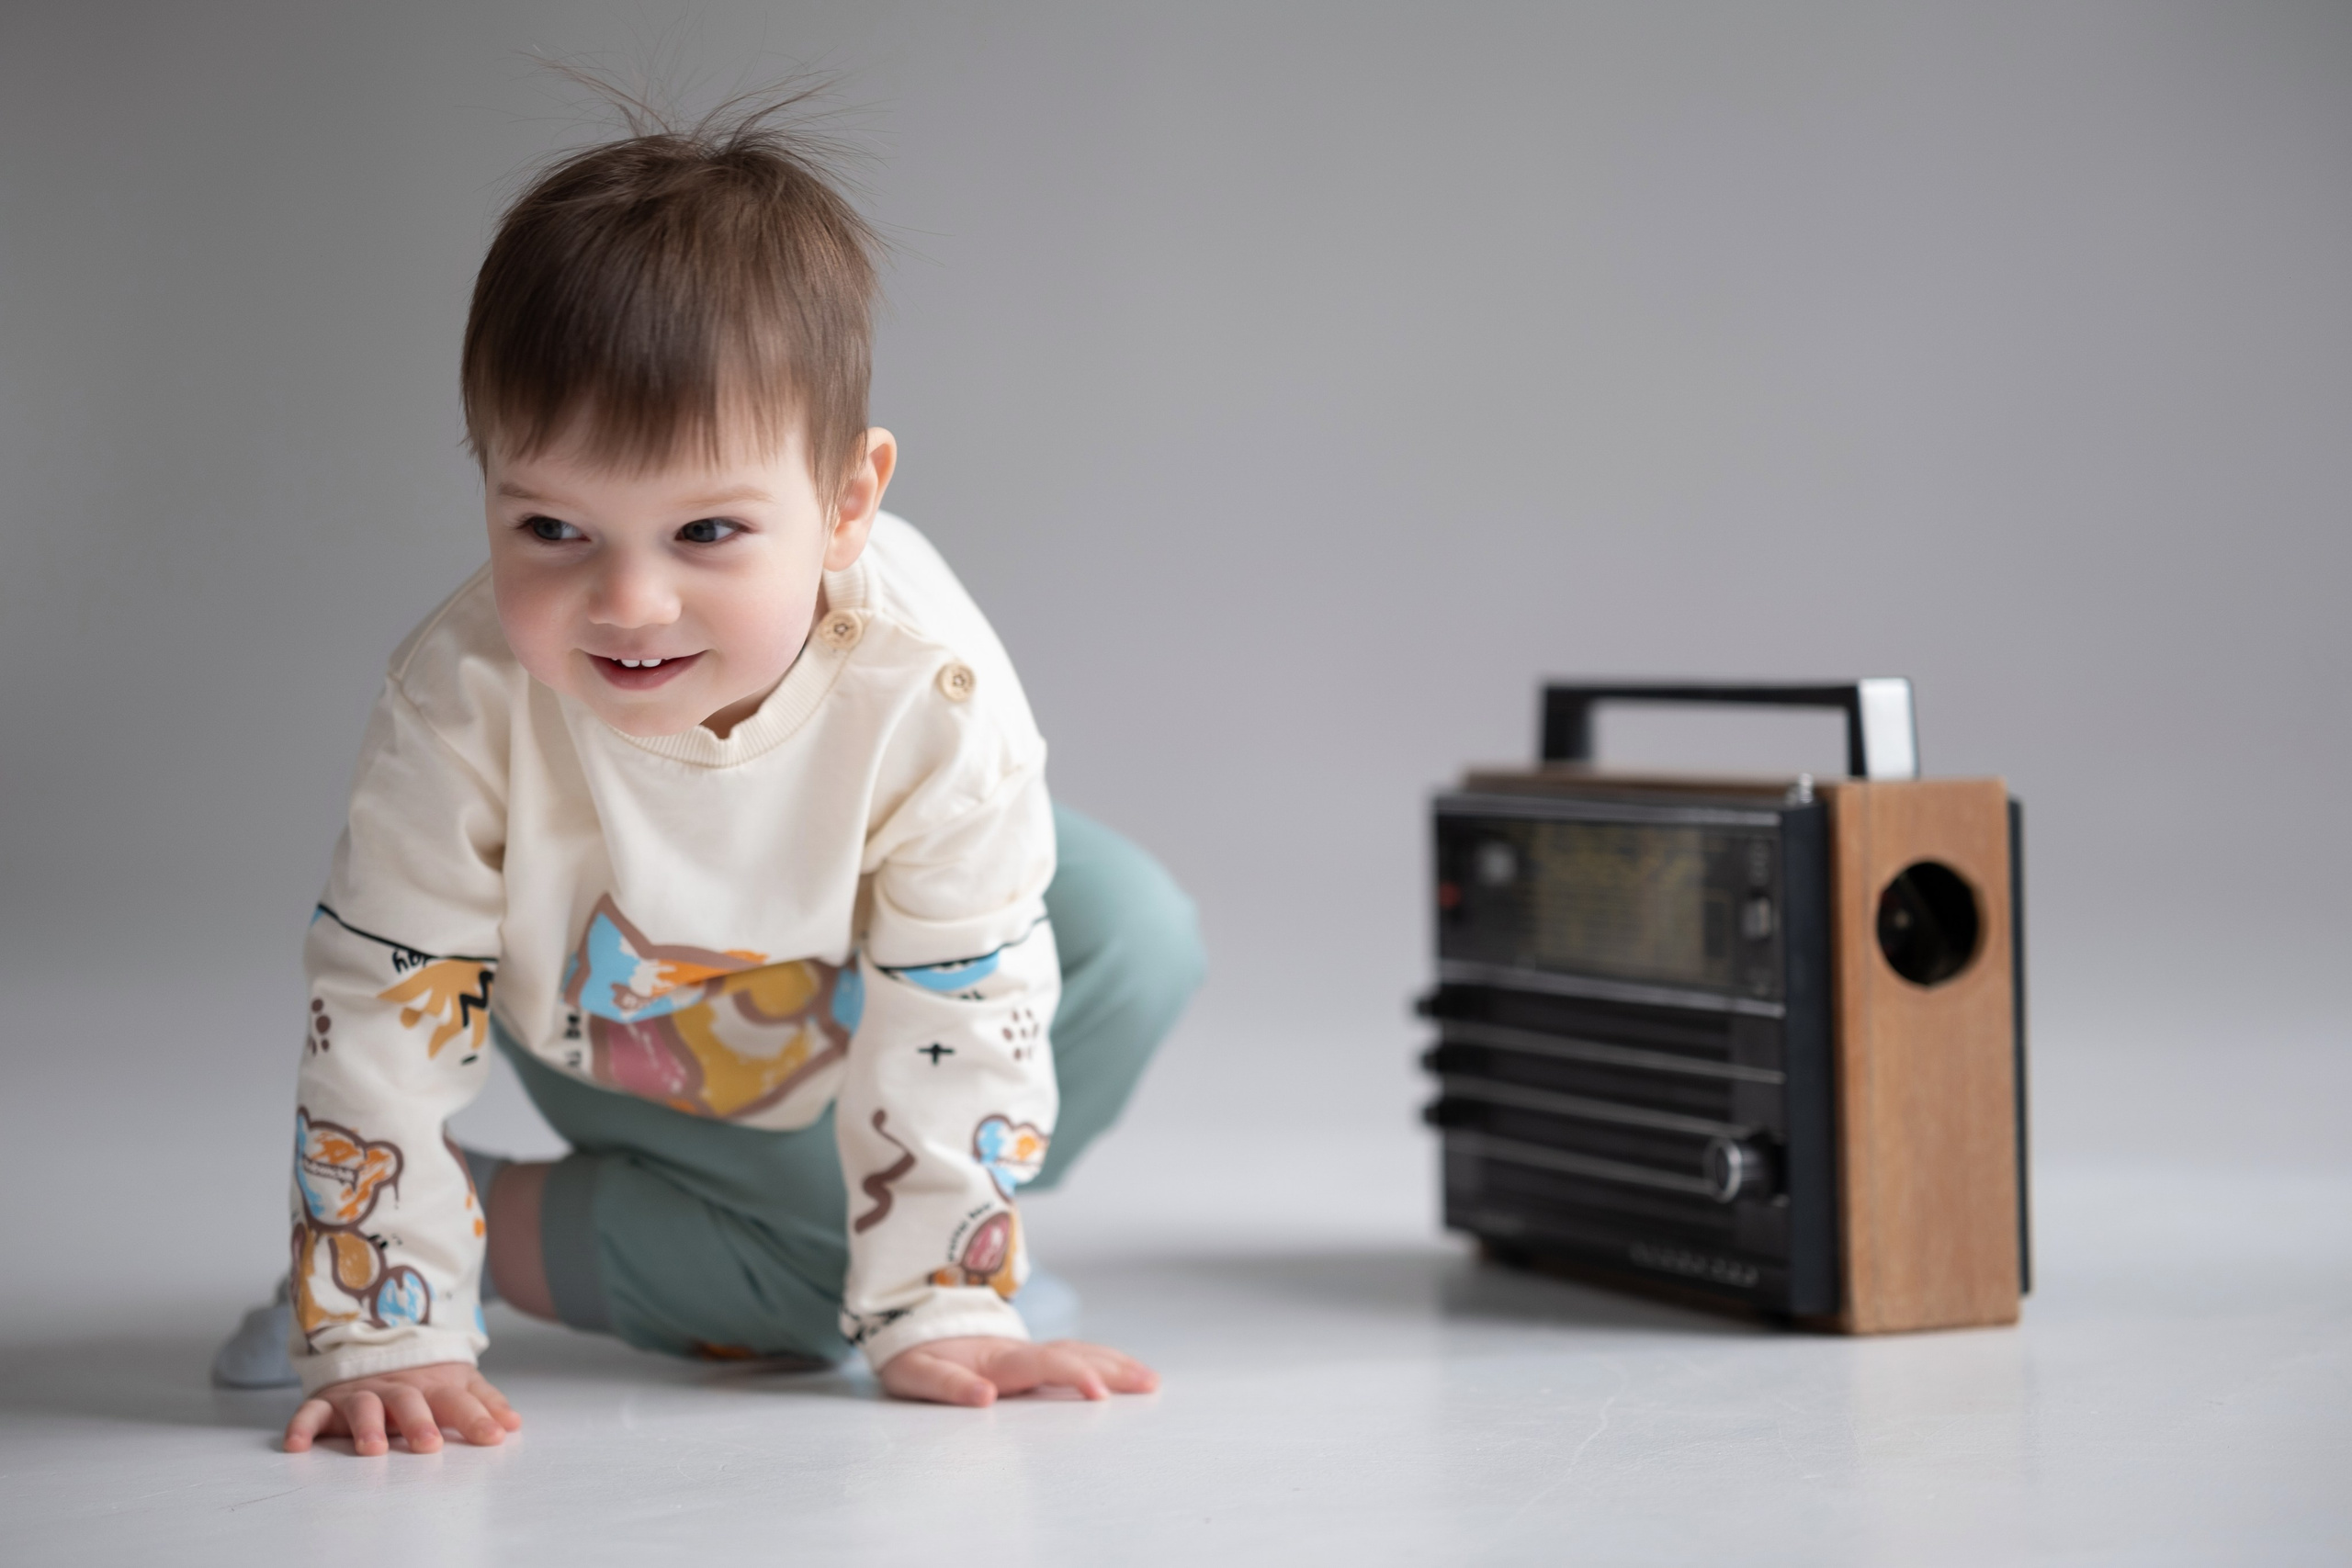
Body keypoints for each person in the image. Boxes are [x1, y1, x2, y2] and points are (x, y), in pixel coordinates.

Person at [210, 92, 1204, 1456]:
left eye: (708, 531)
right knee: (820, 1293)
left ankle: (907, 1250)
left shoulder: (926, 675)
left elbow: (973, 993)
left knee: (1129, 930)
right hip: (612, 1010)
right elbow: (386, 1004)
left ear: (848, 502)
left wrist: (943, 1301)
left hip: (845, 963)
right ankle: (491, 1232)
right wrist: (389, 1319)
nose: (627, 601)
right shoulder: (466, 695)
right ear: (487, 479)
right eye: (551, 525)